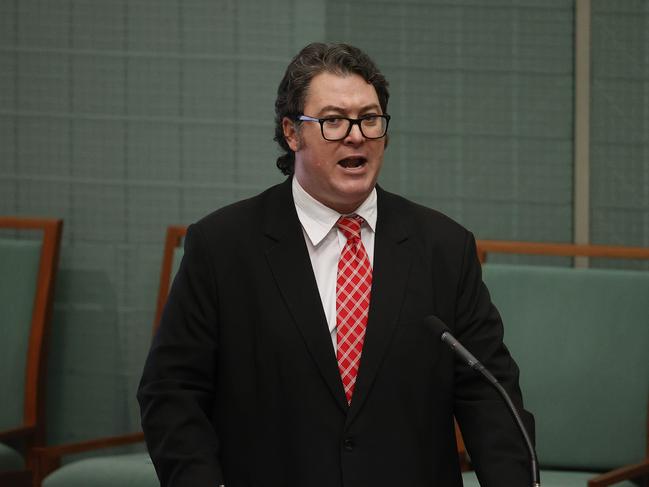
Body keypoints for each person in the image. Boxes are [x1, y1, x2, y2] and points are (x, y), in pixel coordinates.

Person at [137, 42, 534, 487]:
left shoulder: (443, 247)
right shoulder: (224, 246)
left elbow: (491, 397)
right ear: (292, 133)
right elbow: (171, 393)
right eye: (332, 121)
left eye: (369, 118)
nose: (356, 135)